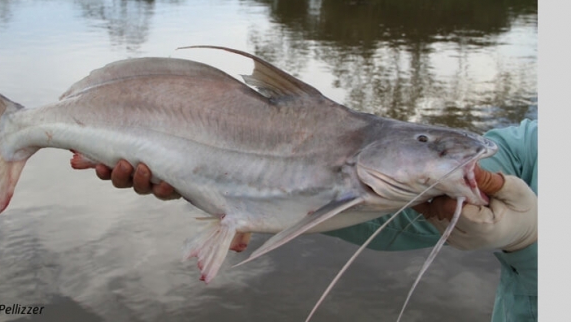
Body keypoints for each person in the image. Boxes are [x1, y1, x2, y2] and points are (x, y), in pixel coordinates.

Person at [90, 119, 538, 322]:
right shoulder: (535, 140)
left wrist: (535, 243)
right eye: (429, 142)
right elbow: (410, 215)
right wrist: (258, 188)